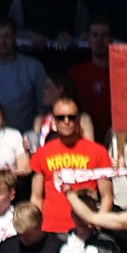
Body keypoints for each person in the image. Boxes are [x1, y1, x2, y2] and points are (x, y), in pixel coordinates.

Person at [27, 97, 111, 235]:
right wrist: (37, 229)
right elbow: (36, 198)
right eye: (61, 118)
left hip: (86, 228)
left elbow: (107, 196)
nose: (67, 122)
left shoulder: (98, 152)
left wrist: (97, 226)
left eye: (71, 117)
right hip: (51, 230)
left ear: (78, 120)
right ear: (53, 121)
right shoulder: (41, 154)